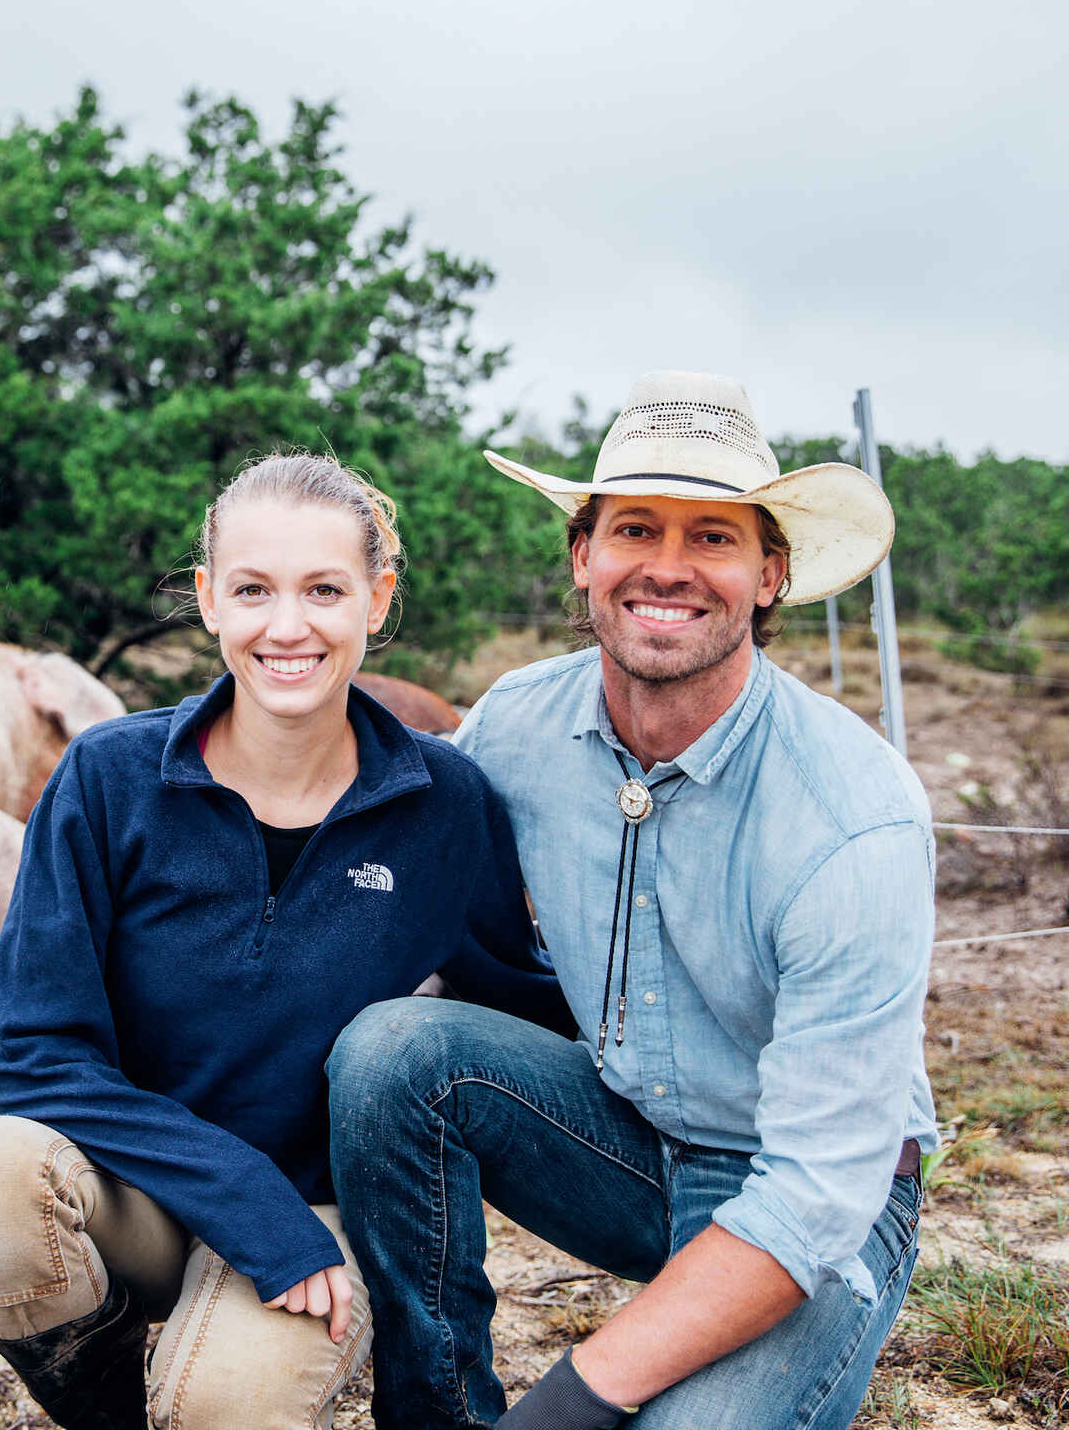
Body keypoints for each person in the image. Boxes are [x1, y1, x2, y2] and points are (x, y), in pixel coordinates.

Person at [327, 371, 937, 1430]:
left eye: (713, 537)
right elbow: (388, 887)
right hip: (625, 1135)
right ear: (582, 555)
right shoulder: (518, 723)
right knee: (389, 1052)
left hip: (816, 1202)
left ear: (769, 573)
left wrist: (567, 1400)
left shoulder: (852, 818)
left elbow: (811, 1195)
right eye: (635, 528)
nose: (666, 567)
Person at [0, 452, 571, 1430]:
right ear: (208, 598)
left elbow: (510, 1008)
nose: (288, 625)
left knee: (219, 1410)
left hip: (323, 1214)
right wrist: (243, 1200)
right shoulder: (108, 778)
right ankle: (106, 1412)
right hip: (139, 1192)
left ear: (377, 601)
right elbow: (38, 1058)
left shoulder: (442, 802)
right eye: (253, 589)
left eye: (324, 589)